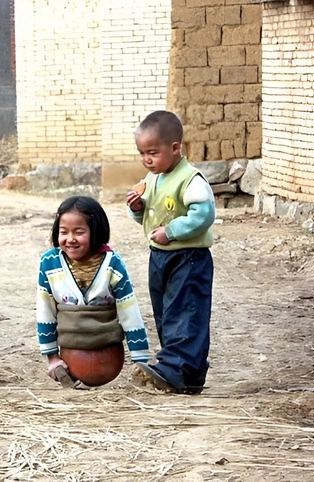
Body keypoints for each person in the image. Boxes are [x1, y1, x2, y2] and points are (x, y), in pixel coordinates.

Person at [126, 110, 216, 395]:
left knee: (185, 311)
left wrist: (172, 231)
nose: (146, 160)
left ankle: (175, 367)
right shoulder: (154, 178)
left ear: (175, 148)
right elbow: (151, 214)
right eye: (142, 153)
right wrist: (137, 209)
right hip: (161, 257)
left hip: (188, 257)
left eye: (152, 152)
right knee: (166, 312)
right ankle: (185, 374)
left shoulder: (191, 179)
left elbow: (203, 214)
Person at [37, 196, 151, 387]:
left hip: (108, 352)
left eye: (79, 232)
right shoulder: (49, 263)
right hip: (71, 348)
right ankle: (64, 373)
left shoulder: (112, 264)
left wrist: (140, 360)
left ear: (96, 231)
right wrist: (52, 358)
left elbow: (128, 310)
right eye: (63, 232)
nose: (70, 239)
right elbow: (45, 310)